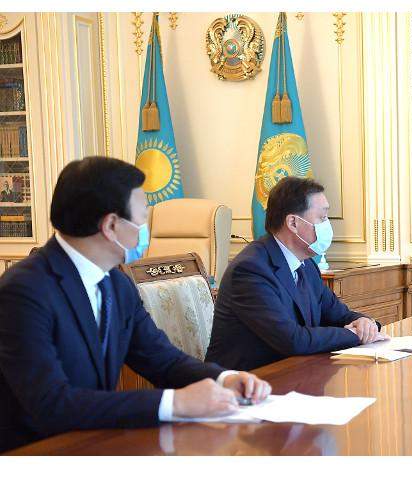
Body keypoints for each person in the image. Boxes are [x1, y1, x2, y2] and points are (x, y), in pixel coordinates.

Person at [0, 156, 271, 453]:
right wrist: (176, 403)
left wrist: (224, 378)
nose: (145, 231)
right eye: (142, 219)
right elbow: (52, 404)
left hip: (92, 442)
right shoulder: (23, 291)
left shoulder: (117, 284)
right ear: (111, 225)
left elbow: (162, 360)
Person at [206, 177, 381, 371]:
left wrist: (364, 323)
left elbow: (338, 314)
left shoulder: (307, 265)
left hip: (293, 372)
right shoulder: (250, 270)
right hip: (248, 381)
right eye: (322, 218)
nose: (327, 225)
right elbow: (292, 340)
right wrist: (354, 335)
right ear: (293, 223)